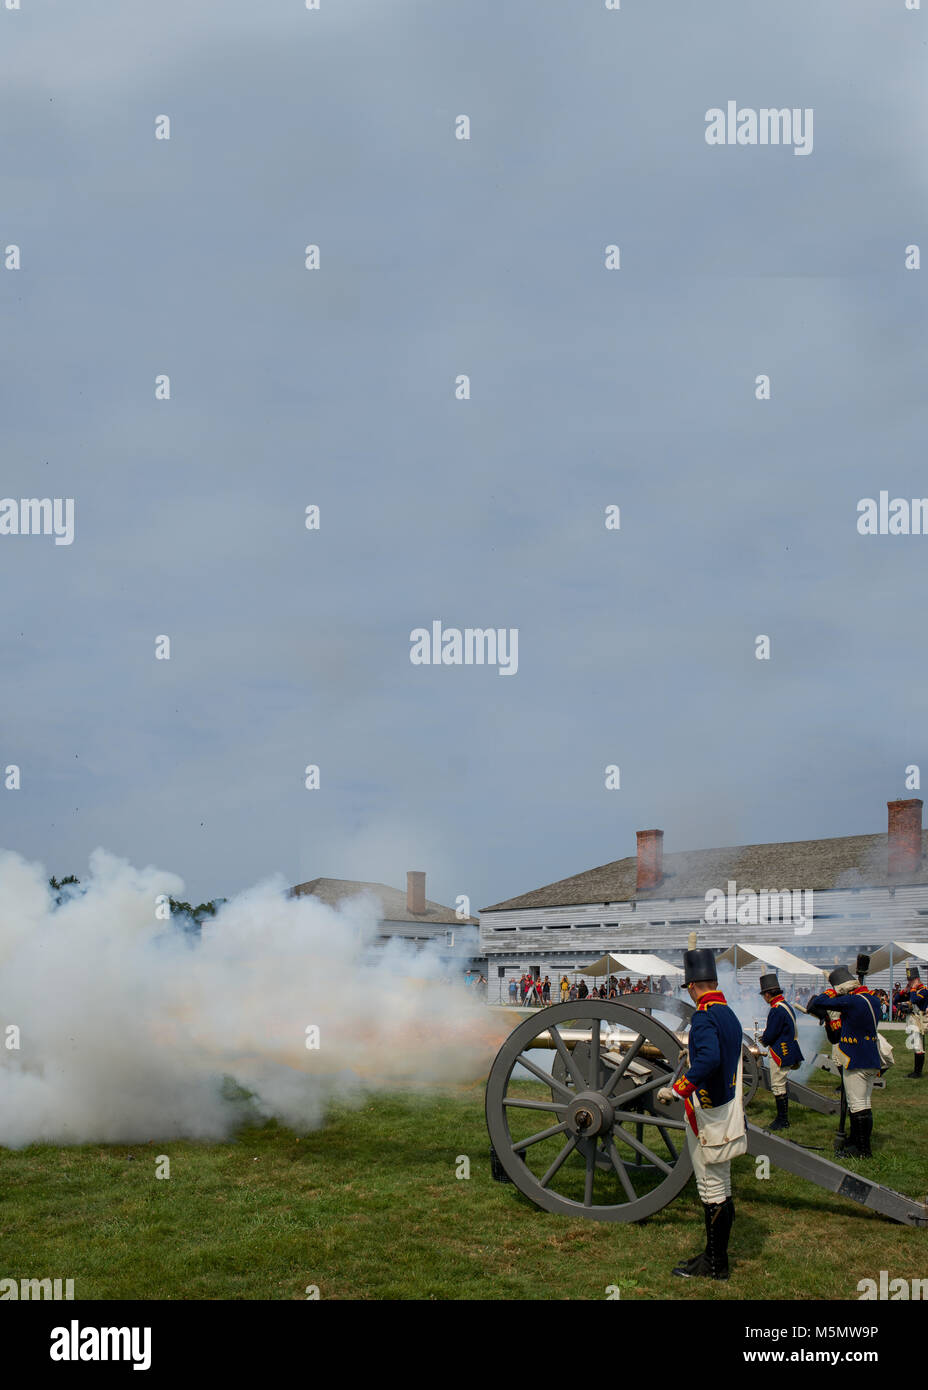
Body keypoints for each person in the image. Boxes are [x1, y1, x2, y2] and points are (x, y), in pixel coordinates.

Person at [657, 948, 745, 1281]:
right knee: (722, 1185)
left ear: (693, 985)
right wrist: (693, 1053)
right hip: (724, 1104)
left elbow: (709, 1060)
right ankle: (714, 1257)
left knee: (711, 1189)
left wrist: (678, 1088)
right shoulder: (727, 1013)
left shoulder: (704, 1015)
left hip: (707, 1111)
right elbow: (717, 1053)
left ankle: (714, 1263)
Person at [807, 966, 881, 1158]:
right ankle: (857, 1142)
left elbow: (820, 1002)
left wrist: (833, 990)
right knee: (864, 1103)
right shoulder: (872, 999)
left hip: (855, 1058)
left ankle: (862, 1149)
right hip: (871, 1057)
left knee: (857, 1105)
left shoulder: (852, 1001)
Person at [758, 972, 803, 1131]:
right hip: (787, 1048)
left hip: (780, 1051)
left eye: (764, 994)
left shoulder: (776, 1009)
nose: (764, 997)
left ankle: (782, 1120)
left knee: (778, 1086)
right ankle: (782, 1118)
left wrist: (763, 1039)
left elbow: (771, 1034)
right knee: (780, 1085)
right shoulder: (785, 1005)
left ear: (768, 994)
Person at [904, 965, 928, 1078]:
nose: (909, 982)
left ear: (917, 980)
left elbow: (914, 999)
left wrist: (913, 989)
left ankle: (917, 1073)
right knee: (915, 1045)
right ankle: (916, 1071)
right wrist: (905, 991)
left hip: (920, 1021)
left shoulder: (923, 990)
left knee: (918, 1046)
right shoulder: (913, 990)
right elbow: (896, 1000)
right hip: (913, 1020)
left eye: (911, 980)